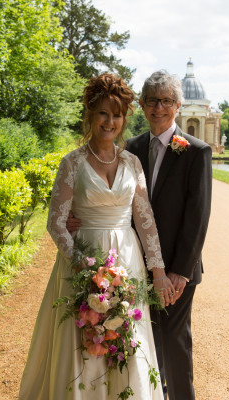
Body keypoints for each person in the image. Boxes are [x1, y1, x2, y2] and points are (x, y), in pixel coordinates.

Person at [18, 73, 174, 400]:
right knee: (82, 343)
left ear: (124, 118)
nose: (110, 121)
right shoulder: (71, 163)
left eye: (117, 114)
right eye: (103, 112)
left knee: (124, 340)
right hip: (81, 265)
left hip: (126, 263)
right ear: (90, 114)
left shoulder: (132, 163)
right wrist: (83, 268)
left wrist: (158, 272)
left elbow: (145, 222)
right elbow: (56, 222)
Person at [126, 71, 212, 400]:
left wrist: (180, 271)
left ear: (178, 106)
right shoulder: (131, 148)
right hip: (137, 264)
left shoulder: (196, 151)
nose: (158, 107)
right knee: (142, 337)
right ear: (142, 105)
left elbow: (198, 217)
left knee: (174, 341)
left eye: (166, 101)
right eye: (152, 100)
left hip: (177, 270)